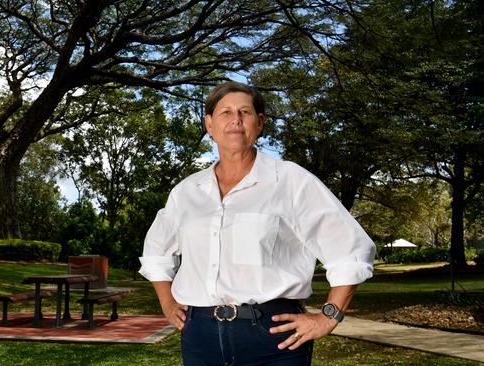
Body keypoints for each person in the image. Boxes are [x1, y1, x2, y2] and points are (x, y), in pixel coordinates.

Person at [139, 81, 376, 366]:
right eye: (225, 112)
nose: (235, 120)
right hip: (200, 337)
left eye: (245, 112)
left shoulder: (290, 180)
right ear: (210, 125)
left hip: (272, 336)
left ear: (259, 123)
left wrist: (329, 316)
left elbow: (351, 249)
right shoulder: (187, 191)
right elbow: (156, 250)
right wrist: (167, 302)